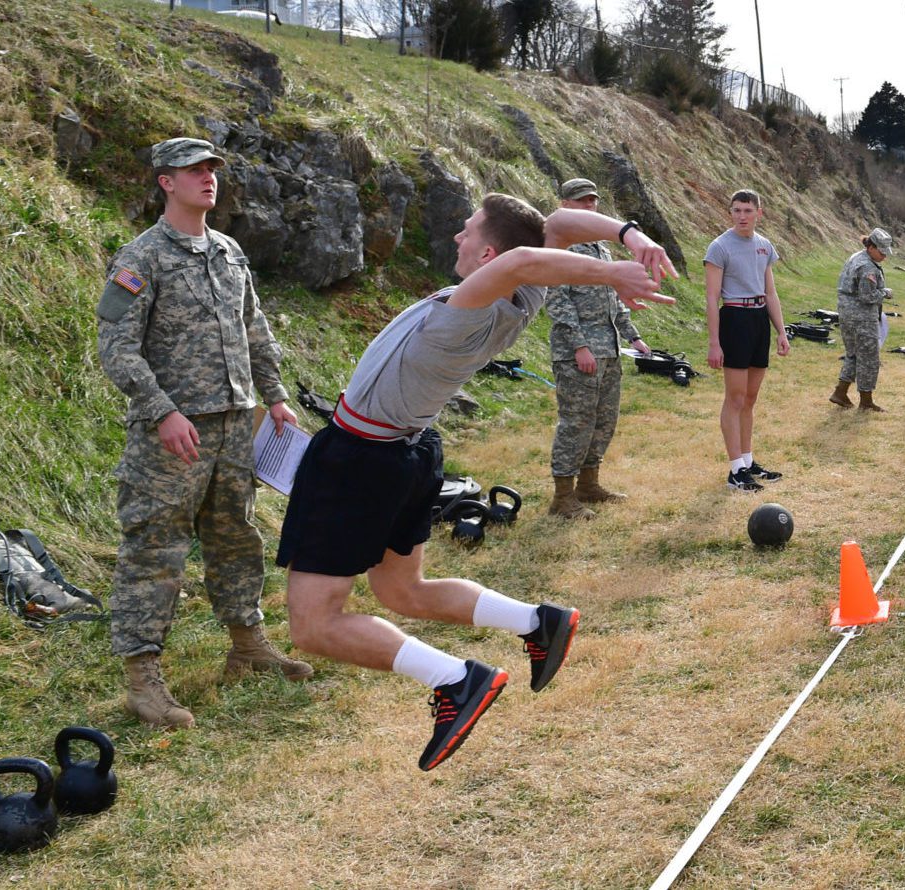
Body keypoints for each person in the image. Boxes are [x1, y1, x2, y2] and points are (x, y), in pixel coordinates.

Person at [276, 194, 676, 770]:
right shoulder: (519, 297)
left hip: (359, 459)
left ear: (488, 254)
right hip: (407, 452)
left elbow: (521, 260)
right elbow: (553, 229)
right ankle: (538, 622)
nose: (456, 238)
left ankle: (455, 681)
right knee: (401, 592)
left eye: (466, 233)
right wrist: (630, 232)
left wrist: (612, 271)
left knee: (314, 624)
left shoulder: (466, 312)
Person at [97, 137, 312, 730]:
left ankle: (247, 646)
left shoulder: (228, 252)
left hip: (236, 427)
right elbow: (115, 347)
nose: (208, 178)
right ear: (165, 181)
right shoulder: (141, 258)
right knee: (155, 548)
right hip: (172, 435)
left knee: (236, 538)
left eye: (212, 169)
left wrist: (276, 398)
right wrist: (162, 410)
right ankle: (143, 681)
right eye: (194, 170)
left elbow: (255, 332)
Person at [544, 178, 654, 519]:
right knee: (576, 422)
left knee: (604, 420)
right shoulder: (559, 249)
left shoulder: (601, 250)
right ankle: (563, 496)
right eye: (581, 202)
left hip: (608, 350)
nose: (589, 207)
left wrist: (632, 337)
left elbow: (614, 302)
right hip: (578, 353)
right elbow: (557, 301)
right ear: (565, 206)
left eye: (593, 202)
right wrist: (579, 346)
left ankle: (589, 485)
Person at [704, 189, 791, 492]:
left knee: (751, 398)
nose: (742, 216)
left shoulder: (765, 246)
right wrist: (715, 343)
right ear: (730, 213)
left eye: (747, 211)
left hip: (759, 321)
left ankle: (748, 460)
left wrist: (780, 330)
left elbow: (771, 292)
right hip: (735, 319)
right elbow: (712, 297)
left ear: (758, 213)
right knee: (736, 397)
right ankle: (735, 470)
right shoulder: (719, 247)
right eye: (736, 210)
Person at [831, 227, 894, 411]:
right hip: (862, 317)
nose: (884, 256)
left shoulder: (856, 257)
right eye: (882, 251)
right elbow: (868, 296)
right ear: (871, 247)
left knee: (854, 355)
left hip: (847, 314)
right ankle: (866, 401)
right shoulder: (867, 266)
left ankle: (840, 393)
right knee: (869, 358)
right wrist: (885, 293)